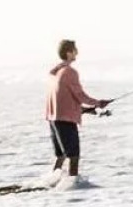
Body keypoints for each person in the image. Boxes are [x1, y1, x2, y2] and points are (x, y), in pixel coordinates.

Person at [46, 39, 109, 184]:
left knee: (61, 155)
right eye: (75, 50)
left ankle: (52, 182)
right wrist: (99, 103)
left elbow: (62, 97)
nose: (77, 53)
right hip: (64, 120)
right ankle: (72, 187)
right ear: (69, 53)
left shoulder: (55, 71)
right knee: (74, 156)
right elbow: (80, 95)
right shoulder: (69, 72)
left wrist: (83, 110)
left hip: (53, 118)